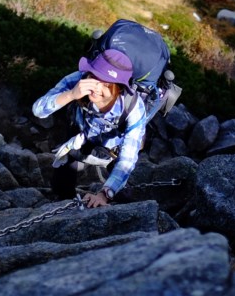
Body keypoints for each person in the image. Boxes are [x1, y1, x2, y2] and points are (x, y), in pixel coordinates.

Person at [32, 48, 148, 207]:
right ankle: (63, 200)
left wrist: (105, 193)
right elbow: (38, 110)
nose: (96, 87)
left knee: (123, 196)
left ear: (119, 88)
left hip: (114, 148)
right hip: (81, 134)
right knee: (62, 185)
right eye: (94, 77)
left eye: (106, 84)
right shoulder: (78, 80)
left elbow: (127, 160)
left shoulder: (133, 107)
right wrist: (71, 94)